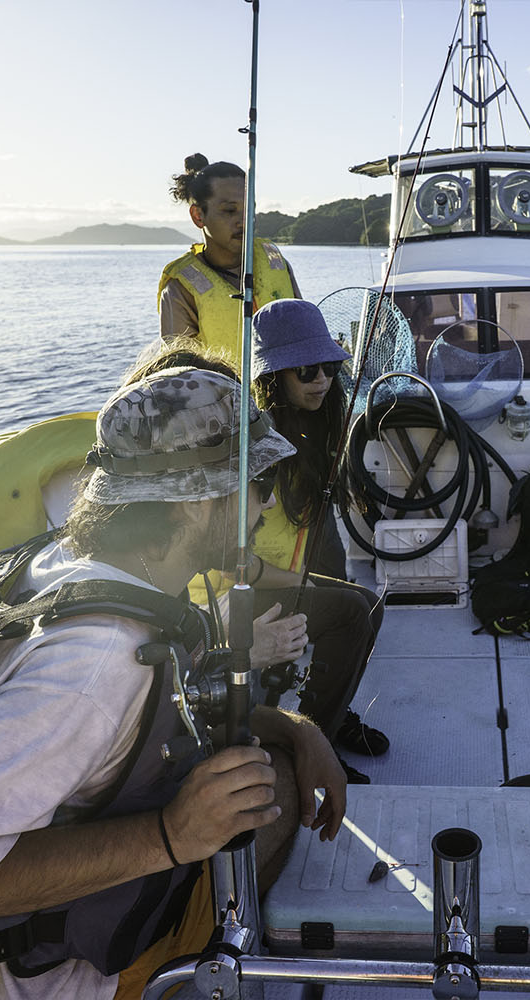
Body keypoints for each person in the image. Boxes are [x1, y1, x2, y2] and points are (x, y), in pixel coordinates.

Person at [0, 368, 346, 999]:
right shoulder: (96, 664)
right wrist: (172, 834)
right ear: (200, 501)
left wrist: (295, 728)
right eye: (256, 484)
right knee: (270, 794)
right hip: (36, 981)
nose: (267, 505)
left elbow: (161, 716)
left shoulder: (72, 564)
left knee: (272, 760)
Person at [170, 303, 389, 780]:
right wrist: (303, 579)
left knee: (366, 604)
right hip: (231, 593)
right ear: (274, 378)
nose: (323, 380)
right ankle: (314, 741)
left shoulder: (321, 423)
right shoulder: (254, 448)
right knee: (354, 612)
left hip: (277, 574)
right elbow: (231, 562)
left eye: (330, 366)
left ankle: (327, 711)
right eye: (306, 369)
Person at [159, 153, 300, 350]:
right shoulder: (179, 291)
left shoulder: (276, 263)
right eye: (229, 211)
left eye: (249, 209)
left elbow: (307, 336)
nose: (244, 221)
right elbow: (183, 370)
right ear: (198, 216)